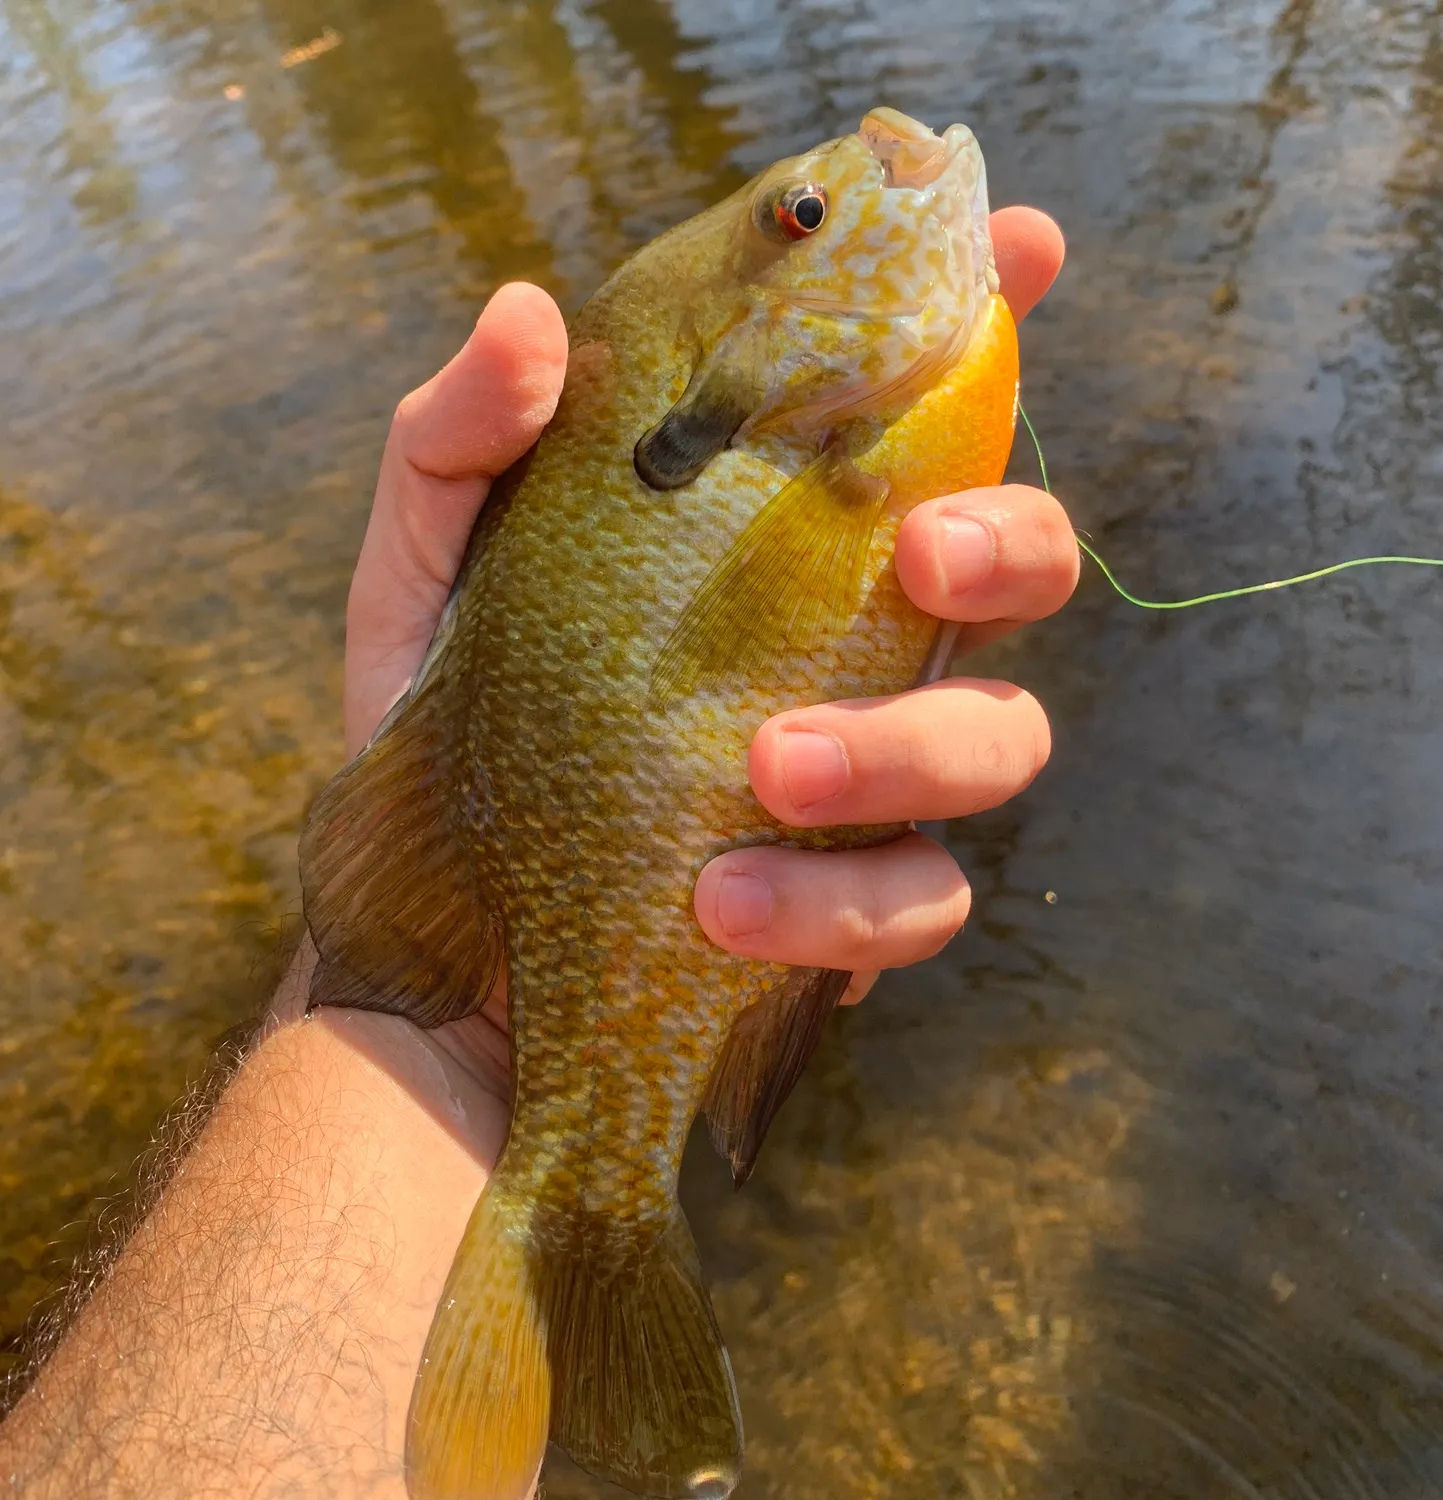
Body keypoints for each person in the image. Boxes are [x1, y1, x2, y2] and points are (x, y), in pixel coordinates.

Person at [0, 207, 1076, 1499]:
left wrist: (466, 1035)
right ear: (737, 349)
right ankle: (594, 1219)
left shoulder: (818, 421)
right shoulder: (822, 433)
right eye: (806, 217)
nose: (867, 181)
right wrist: (465, 1036)